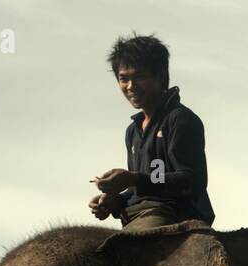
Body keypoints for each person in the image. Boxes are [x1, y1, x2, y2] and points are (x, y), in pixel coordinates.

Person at [89, 34, 215, 231]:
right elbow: (145, 185)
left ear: (160, 76)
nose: (130, 86)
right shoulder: (133, 131)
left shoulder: (180, 119)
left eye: (139, 77)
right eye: (123, 79)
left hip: (172, 212)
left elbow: (192, 180)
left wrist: (133, 178)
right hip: (138, 214)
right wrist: (116, 201)